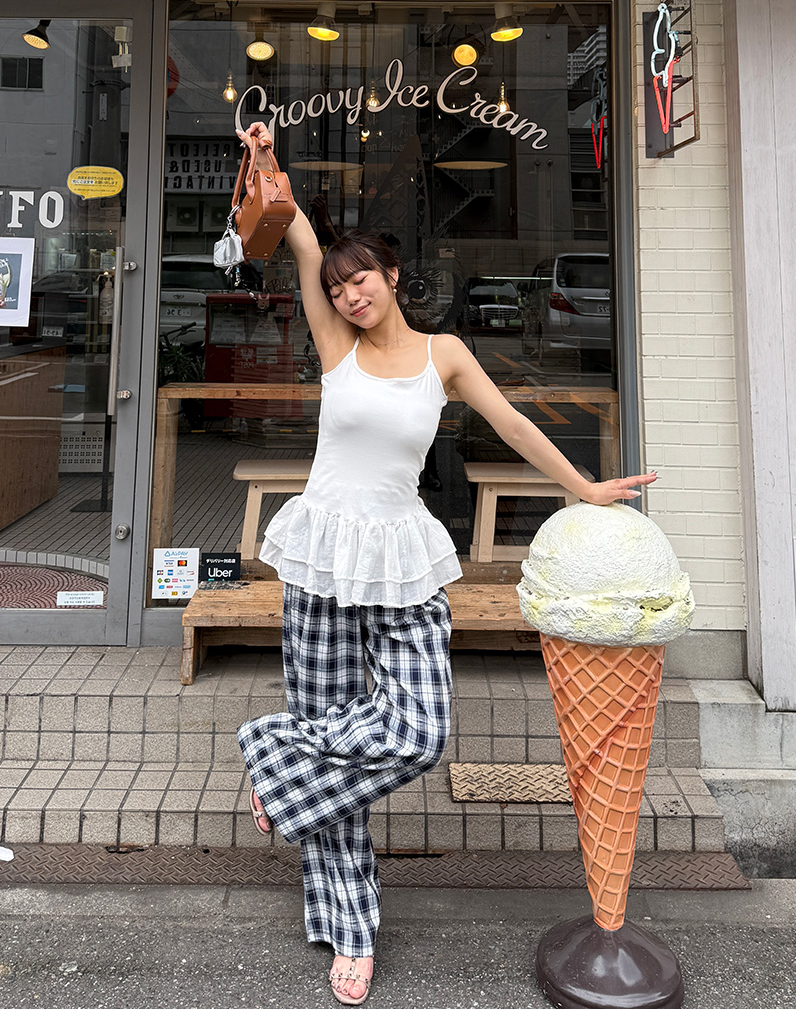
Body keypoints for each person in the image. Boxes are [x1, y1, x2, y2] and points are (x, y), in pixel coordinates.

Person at [235, 121, 656, 1006]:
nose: (349, 293)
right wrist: (266, 162)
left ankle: (273, 754)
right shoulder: (337, 347)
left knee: (419, 731)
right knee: (339, 773)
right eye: (337, 286)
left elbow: (513, 423)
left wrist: (583, 486)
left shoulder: (445, 355)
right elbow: (301, 234)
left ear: (393, 276)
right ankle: (351, 928)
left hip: (404, 558)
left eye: (361, 278)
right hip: (322, 558)